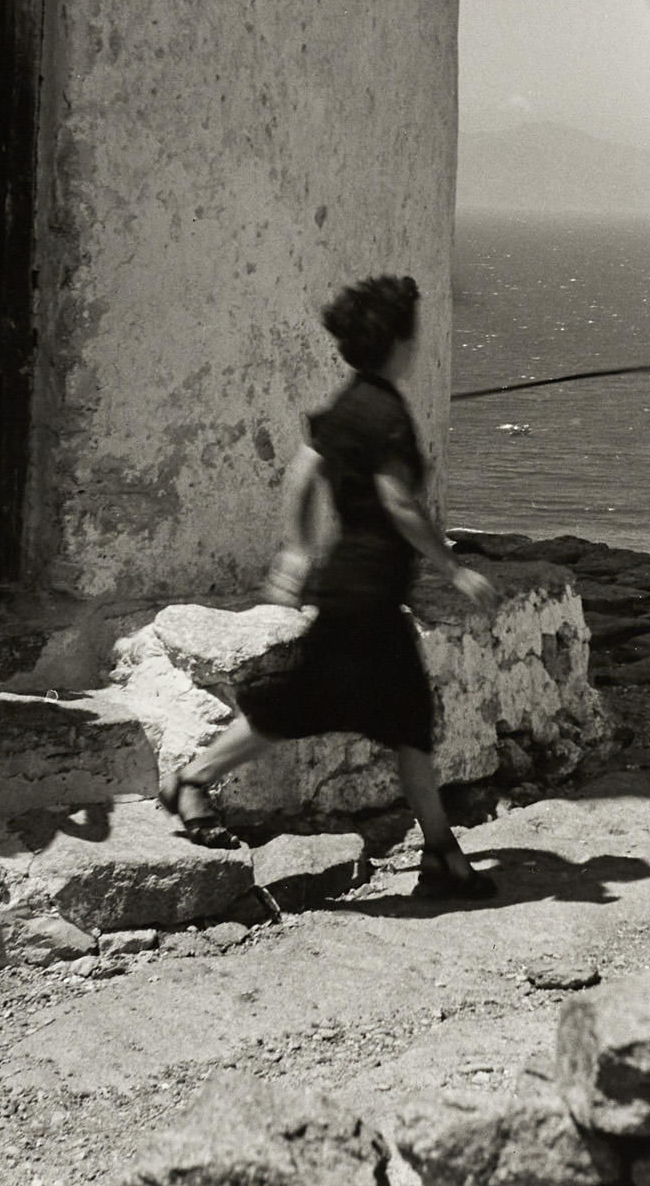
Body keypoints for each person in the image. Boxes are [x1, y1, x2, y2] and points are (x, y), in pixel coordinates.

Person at [157, 274, 501, 900]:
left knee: (410, 720)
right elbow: (398, 503)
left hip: (359, 586)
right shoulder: (386, 414)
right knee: (303, 705)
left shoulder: (349, 407)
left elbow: (306, 466)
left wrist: (296, 544)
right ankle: (193, 780)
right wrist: (452, 566)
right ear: (399, 341)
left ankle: (442, 853)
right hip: (363, 593)